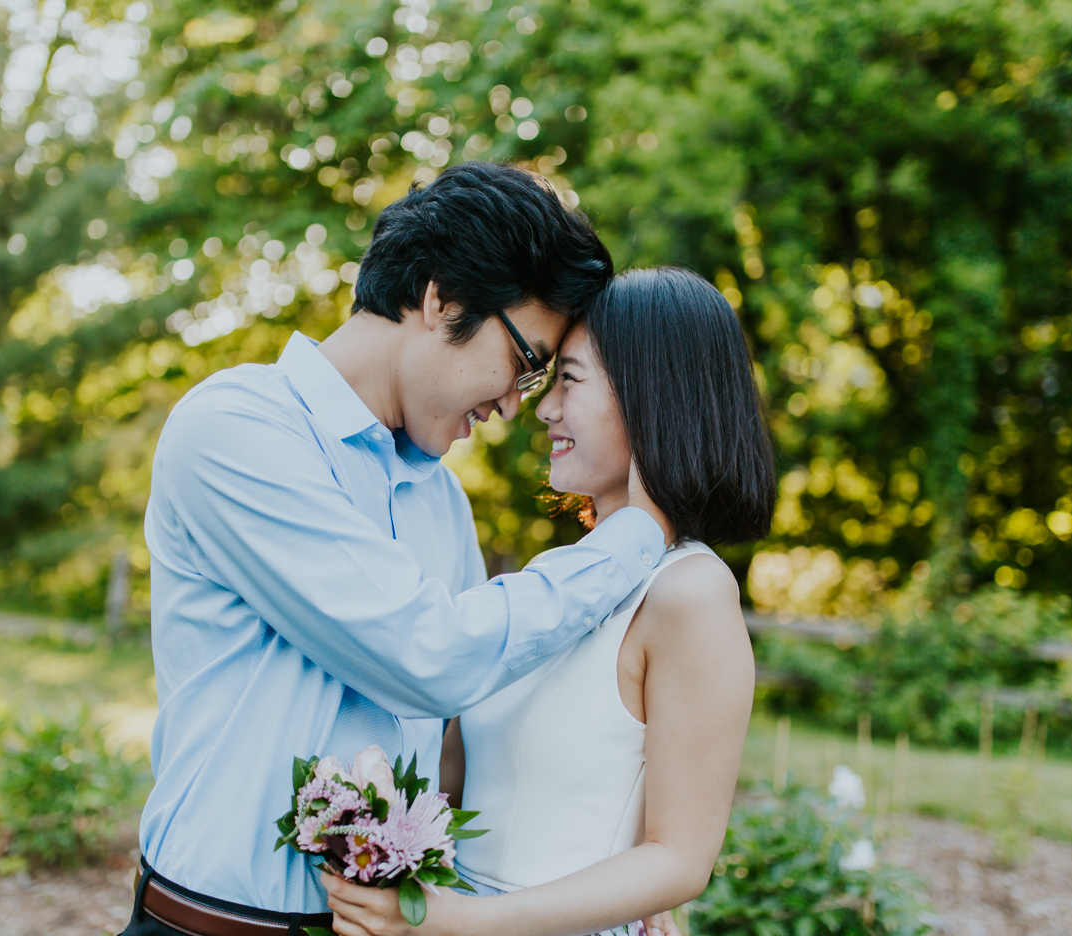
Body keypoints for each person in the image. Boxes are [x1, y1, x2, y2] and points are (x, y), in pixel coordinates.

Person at [123, 162, 673, 936]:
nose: (515, 406)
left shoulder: (438, 498)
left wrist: (626, 882)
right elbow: (430, 654)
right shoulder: (236, 430)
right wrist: (637, 534)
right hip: (215, 926)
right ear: (440, 297)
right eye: (522, 363)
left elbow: (467, 733)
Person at [323, 268, 776, 936]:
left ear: (653, 397)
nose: (543, 408)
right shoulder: (557, 579)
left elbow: (680, 860)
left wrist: (458, 922)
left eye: (571, 378)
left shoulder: (689, 593)